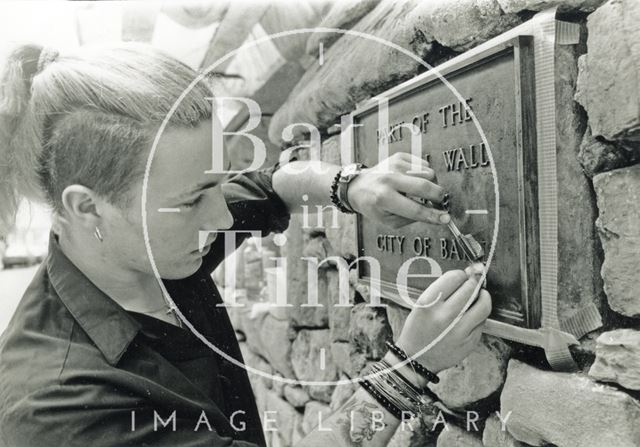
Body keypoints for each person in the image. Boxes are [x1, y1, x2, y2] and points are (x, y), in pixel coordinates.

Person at [0, 43, 492, 447]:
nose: (220, 216)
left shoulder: (139, 245)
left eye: (217, 182)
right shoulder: (58, 413)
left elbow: (270, 185)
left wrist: (350, 184)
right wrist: (406, 370)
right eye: (194, 199)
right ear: (89, 208)